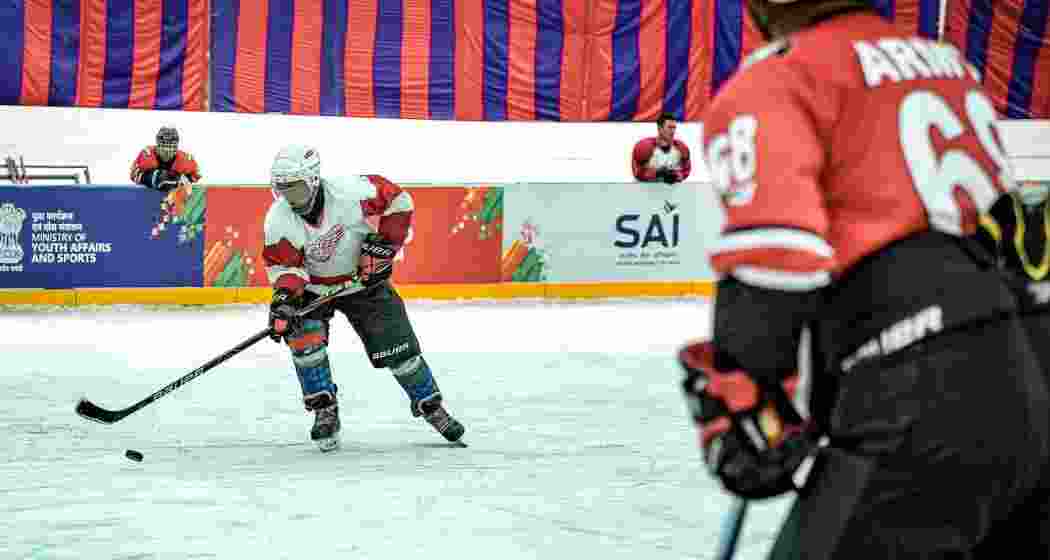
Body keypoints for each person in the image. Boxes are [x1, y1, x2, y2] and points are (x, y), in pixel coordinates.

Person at [677, 1, 1050, 558]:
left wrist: (747, 393)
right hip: (1032, 370)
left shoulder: (775, 81)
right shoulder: (946, 63)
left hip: (916, 381)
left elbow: (774, 262)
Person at [262, 145, 465, 452]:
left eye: (297, 190)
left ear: (314, 180)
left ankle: (430, 406)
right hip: (315, 290)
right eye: (284, 191)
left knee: (399, 350)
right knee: (304, 341)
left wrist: (383, 247)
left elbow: (399, 199)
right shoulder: (278, 219)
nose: (291, 199)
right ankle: (324, 411)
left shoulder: (352, 192)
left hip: (363, 284)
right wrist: (285, 301)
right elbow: (286, 266)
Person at [130, 125, 201, 192]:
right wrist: (151, 178)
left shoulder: (185, 160)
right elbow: (133, 174)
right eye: (163, 146)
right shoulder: (147, 155)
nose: (167, 151)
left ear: (176, 147)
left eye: (170, 147)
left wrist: (181, 180)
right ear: (157, 145)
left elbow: (196, 175)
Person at [631, 113, 691, 184]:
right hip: (647, 191)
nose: (673, 131)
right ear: (660, 128)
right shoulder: (644, 147)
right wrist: (658, 173)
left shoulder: (681, 148)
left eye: (674, 128)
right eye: (669, 127)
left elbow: (686, 170)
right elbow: (637, 172)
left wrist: (676, 175)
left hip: (672, 191)